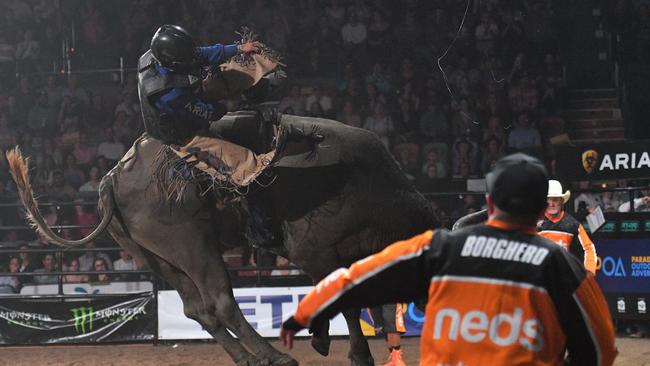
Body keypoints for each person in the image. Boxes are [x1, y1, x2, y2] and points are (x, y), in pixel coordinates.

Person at [281, 153, 617, 365]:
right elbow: (600, 349)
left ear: (488, 201)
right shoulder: (560, 267)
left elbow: (357, 279)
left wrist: (305, 313)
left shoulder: (440, 247)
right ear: (542, 210)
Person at [538, 180, 597, 274]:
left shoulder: (573, 225)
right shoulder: (534, 223)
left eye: (555, 199)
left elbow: (588, 248)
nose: (551, 204)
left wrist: (589, 273)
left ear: (561, 201)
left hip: (564, 278)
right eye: (548, 200)